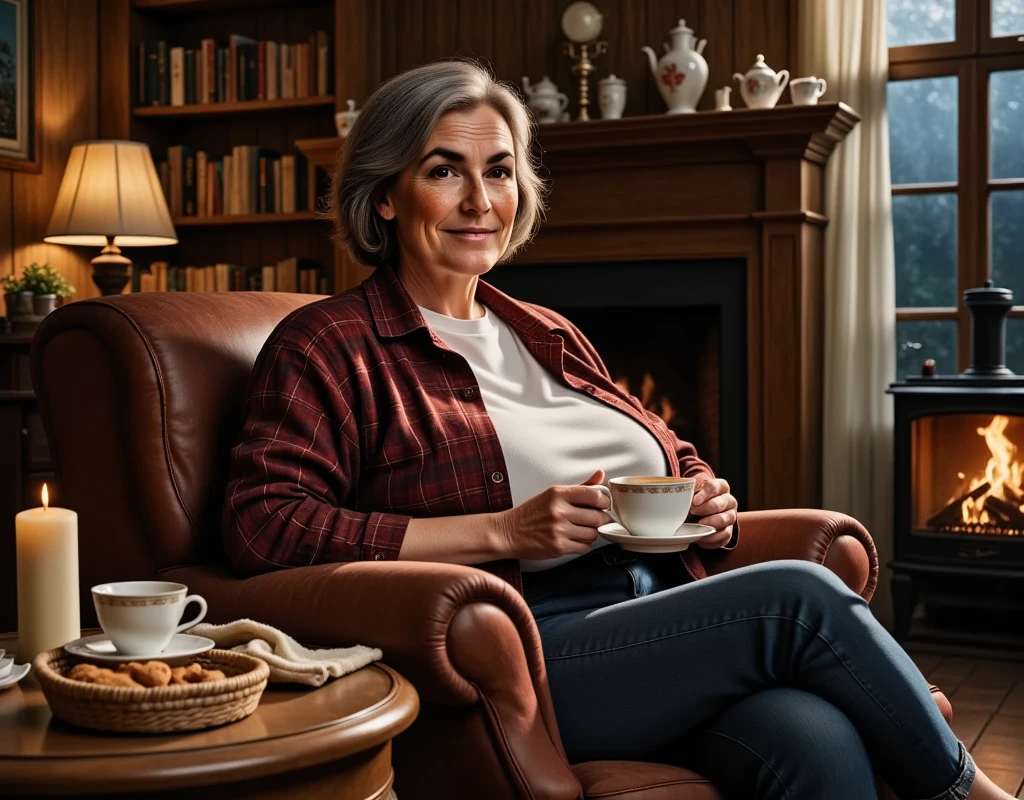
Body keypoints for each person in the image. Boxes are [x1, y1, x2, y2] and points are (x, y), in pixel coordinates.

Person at [222, 60, 1011, 800]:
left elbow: (668, 451)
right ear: (385, 195)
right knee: (801, 595)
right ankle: (971, 792)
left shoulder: (544, 331)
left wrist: (707, 500)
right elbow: (263, 527)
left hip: (662, 611)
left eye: (498, 170)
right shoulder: (331, 345)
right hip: (529, 648)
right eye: (442, 171)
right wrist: (501, 530)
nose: (479, 200)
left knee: (817, 738)